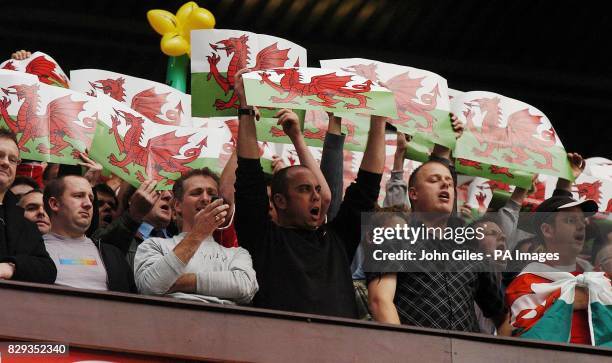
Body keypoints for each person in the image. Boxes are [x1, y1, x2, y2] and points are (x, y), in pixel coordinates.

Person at [233, 68, 386, 318]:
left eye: (317, 188)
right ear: (279, 201)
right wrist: (246, 109)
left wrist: (379, 121)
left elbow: (367, 187)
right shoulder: (262, 239)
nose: (317, 196)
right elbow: (249, 177)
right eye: (304, 189)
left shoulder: (337, 240)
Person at [367, 119, 507, 332]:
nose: (445, 185)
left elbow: (501, 316)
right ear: (413, 193)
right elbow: (380, 301)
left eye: (450, 183)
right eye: (434, 180)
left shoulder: (470, 246)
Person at [134, 168, 258, 305]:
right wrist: (198, 233)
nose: (205, 198)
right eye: (196, 193)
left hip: (223, 323)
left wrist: (177, 282)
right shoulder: (153, 245)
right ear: (177, 205)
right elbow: (150, 287)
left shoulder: (236, 253)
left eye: (211, 194)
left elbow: (244, 287)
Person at [42, 175, 135, 292]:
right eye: (78, 196)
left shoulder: (113, 254)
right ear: (54, 204)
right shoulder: (31, 250)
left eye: (91, 198)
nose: (88, 204)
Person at [0, 128, 56, 283]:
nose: (5, 162)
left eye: (12, 159)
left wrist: (10, 267)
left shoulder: (24, 223)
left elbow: (47, 269)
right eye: (0, 155)